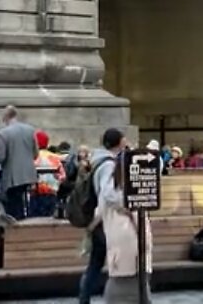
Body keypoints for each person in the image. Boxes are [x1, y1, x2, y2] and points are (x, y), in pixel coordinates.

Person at [97, 142, 154, 302]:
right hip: (134, 248)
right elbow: (141, 227)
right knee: (134, 290)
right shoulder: (133, 194)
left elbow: (99, 213)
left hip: (119, 250)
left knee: (121, 289)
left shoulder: (109, 192)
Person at [78, 128, 125, 304]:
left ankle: (85, 298)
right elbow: (108, 194)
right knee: (113, 262)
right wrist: (124, 205)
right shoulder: (108, 164)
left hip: (98, 219)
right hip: (105, 220)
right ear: (119, 142)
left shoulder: (97, 160)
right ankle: (114, 298)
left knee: (96, 263)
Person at [0, 105, 39, 221]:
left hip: (12, 176)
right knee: (23, 202)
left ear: (5, 117)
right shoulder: (30, 130)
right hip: (29, 174)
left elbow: (1, 156)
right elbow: (35, 154)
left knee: (12, 207)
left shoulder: (3, 133)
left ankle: (15, 232)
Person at [32, 131, 65, 218]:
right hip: (52, 192)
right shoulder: (54, 157)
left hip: (36, 193)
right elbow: (62, 176)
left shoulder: (32, 157)